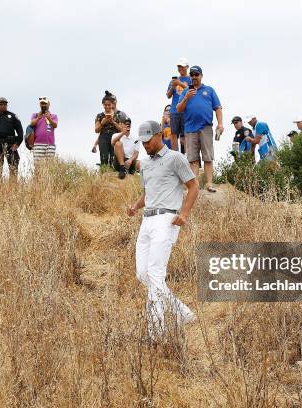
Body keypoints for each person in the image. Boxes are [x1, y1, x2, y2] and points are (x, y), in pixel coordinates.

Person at [127, 120, 199, 340]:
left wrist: (184, 214)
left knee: (156, 274)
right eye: (143, 142)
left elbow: (193, 187)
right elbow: (148, 193)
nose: (146, 145)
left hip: (166, 219)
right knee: (143, 274)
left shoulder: (176, 158)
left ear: (160, 135)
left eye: (148, 141)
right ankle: (183, 313)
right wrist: (135, 207)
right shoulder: (145, 163)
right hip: (147, 220)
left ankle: (155, 332)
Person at [176, 65, 223, 193]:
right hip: (190, 129)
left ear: (201, 75)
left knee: (208, 156)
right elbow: (178, 109)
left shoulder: (209, 90)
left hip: (206, 127)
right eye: (192, 75)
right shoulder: (186, 91)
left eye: (197, 74)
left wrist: (220, 124)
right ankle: (195, 186)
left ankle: (209, 184)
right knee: (192, 159)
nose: (194, 77)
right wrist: (186, 98)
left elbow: (218, 107)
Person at [92, 91, 128, 167]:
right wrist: (102, 123)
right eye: (105, 105)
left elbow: (122, 130)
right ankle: (104, 175)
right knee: (104, 158)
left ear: (112, 105)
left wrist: (113, 122)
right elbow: (96, 130)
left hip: (114, 137)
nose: (107, 107)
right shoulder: (99, 115)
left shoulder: (118, 115)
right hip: (103, 138)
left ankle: (113, 175)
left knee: (113, 158)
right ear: (103, 105)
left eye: (109, 105)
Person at [166, 57, 192, 154]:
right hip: (174, 110)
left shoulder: (190, 79)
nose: (180, 68)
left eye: (182, 66)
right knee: (173, 134)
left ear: (187, 67)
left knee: (186, 134)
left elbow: (192, 90)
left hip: (186, 110)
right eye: (179, 67)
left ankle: (187, 157)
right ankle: (175, 156)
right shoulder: (173, 81)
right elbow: (168, 95)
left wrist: (180, 83)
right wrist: (173, 86)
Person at [29, 96, 58, 162]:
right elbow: (31, 124)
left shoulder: (53, 116)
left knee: (49, 166)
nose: (43, 105)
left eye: (45, 103)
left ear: (48, 104)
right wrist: (38, 118)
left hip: (50, 144)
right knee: (37, 166)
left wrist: (49, 118)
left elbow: (55, 125)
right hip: (37, 144)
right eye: (42, 104)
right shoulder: (35, 115)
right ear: (39, 105)